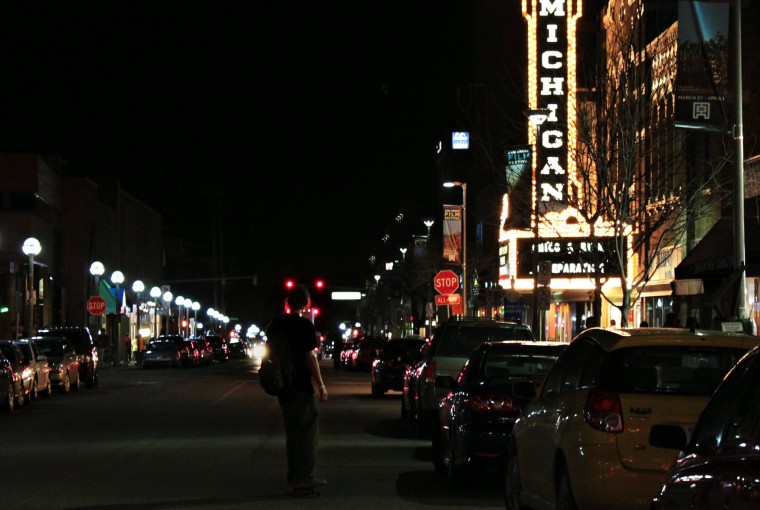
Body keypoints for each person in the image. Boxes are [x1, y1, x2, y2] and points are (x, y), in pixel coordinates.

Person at [265, 285, 328, 492]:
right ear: (306, 303)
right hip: (300, 385)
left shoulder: (274, 325)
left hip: (281, 385)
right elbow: (309, 357)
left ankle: (294, 476)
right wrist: (320, 385)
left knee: (292, 433)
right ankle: (304, 477)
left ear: (287, 301)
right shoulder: (304, 326)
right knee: (307, 433)